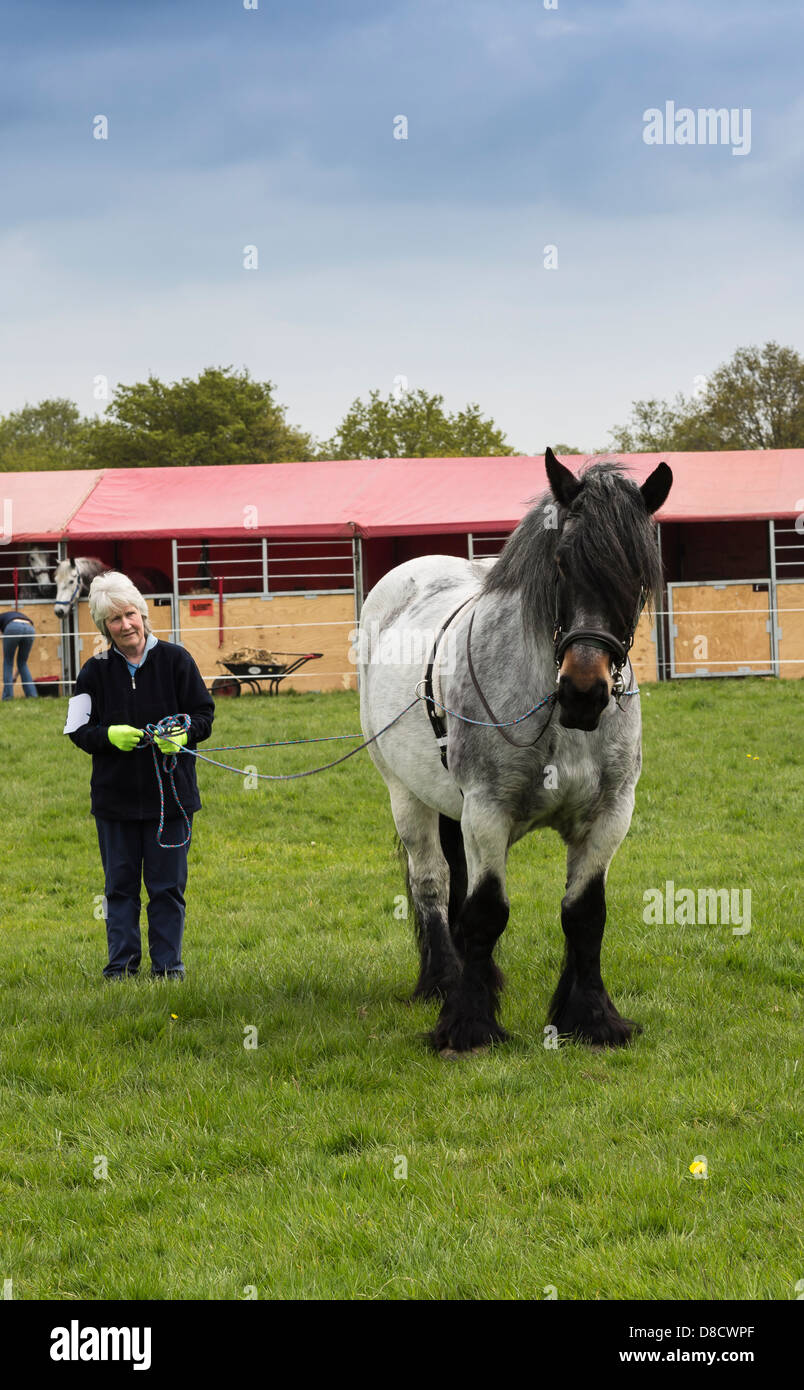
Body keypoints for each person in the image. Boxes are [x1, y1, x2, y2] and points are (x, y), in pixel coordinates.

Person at [65, 571, 215, 981]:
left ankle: (168, 968)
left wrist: (183, 733)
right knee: (120, 889)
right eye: (114, 620)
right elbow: (77, 730)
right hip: (115, 802)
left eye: (130, 614)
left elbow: (205, 715)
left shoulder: (176, 659)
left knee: (167, 888)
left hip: (172, 799)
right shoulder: (93, 672)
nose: (126, 625)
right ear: (104, 627)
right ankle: (121, 968)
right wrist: (107, 736)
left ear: (143, 614)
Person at [1, 609, 38, 700]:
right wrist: (15, 675)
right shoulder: (8, 615)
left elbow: (2, 637)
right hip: (30, 628)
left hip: (13, 627)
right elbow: (21, 664)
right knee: (22, 662)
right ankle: (32, 695)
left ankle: (8, 697)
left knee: (8, 661)